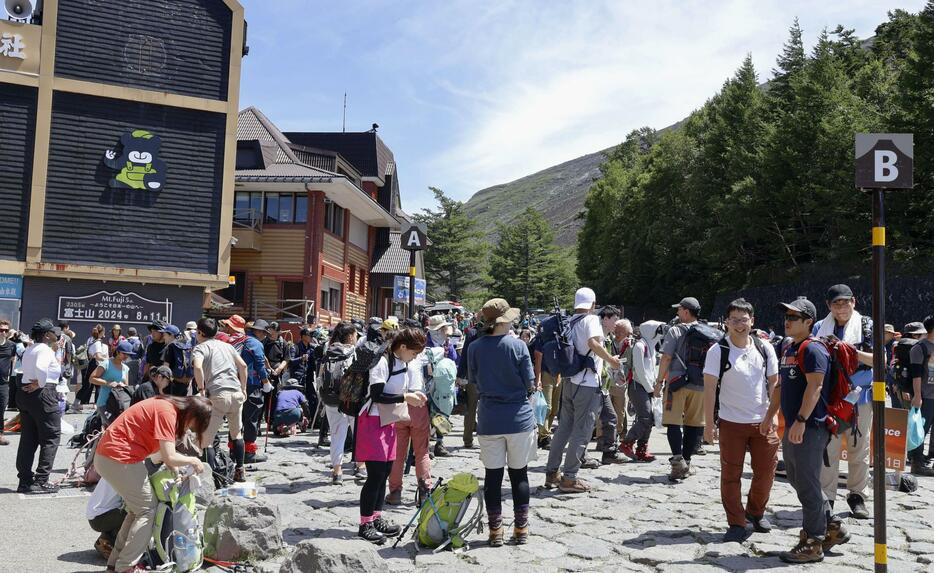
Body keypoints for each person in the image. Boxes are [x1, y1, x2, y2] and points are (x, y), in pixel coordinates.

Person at [762, 297, 849, 563]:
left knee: (808, 483)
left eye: (793, 318)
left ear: (809, 322)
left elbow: (816, 387)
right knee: (798, 479)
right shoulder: (789, 347)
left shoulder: (813, 349)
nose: (787, 322)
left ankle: (813, 542)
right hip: (795, 425)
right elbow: (780, 387)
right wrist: (770, 415)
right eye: (786, 317)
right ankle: (832, 525)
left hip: (810, 426)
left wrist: (800, 420)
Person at [94, 396, 210, 573]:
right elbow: (170, 455)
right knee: (147, 509)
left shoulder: (166, 407)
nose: (190, 429)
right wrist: (193, 460)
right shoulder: (167, 413)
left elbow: (162, 453)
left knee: (137, 510)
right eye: (194, 425)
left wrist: (175, 469)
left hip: (111, 456)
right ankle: (126, 566)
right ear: (192, 415)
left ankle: (115, 563)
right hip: (119, 458)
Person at [702, 298, 780, 543]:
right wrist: (708, 424)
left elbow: (774, 383)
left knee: (766, 472)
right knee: (731, 474)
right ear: (726, 322)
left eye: (743, 320)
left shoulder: (764, 348)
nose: (739, 325)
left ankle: (755, 512)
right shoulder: (718, 351)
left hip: (763, 421)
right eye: (734, 320)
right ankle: (736, 522)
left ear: (752, 321)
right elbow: (709, 390)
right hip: (730, 422)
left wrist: (774, 415)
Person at [469, 298, 537, 546]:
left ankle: (494, 531)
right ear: (504, 320)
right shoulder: (519, 346)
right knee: (519, 475)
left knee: (492, 477)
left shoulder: (475, 347)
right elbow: (530, 382)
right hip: (518, 417)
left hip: (489, 418)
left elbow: (474, 380)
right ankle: (521, 529)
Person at [543, 288, 621, 493]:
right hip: (587, 383)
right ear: (593, 304)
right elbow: (593, 343)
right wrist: (611, 360)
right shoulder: (591, 320)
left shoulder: (569, 321)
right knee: (582, 431)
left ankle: (552, 473)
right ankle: (570, 477)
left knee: (563, 428)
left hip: (570, 380)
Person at [357, 327, 427, 544]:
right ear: (403, 347)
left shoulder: (400, 361)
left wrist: (411, 395)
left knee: (386, 470)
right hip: (372, 420)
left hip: (388, 421)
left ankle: (376, 517)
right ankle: (365, 523)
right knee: (375, 474)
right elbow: (377, 395)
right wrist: (406, 397)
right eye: (414, 353)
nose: (415, 357)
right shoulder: (382, 361)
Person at [813, 284, 874, 520]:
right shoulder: (820, 327)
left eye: (845, 302)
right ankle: (826, 496)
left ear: (854, 302)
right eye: (836, 303)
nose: (841, 307)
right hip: (830, 396)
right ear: (828, 306)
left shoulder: (867, 327)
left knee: (860, 448)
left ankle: (857, 496)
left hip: (861, 395)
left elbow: (879, 360)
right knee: (829, 448)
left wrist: (846, 350)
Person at [654, 297, 705, 481]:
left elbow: (666, 357)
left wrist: (659, 382)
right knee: (693, 424)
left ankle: (677, 464)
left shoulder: (675, 330)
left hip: (677, 382)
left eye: (679, 309)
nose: (677, 313)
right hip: (699, 383)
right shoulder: (707, 331)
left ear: (686, 312)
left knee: (673, 422)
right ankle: (688, 463)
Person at [192, 317, 248, 482]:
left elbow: (197, 366)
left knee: (207, 440)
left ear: (201, 332)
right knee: (236, 434)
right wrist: (244, 389)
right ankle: (240, 470)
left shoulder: (200, 348)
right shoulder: (228, 346)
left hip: (217, 395)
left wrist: (201, 389)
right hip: (236, 393)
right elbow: (243, 366)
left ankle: (213, 477)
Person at [16, 319, 64, 494]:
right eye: (52, 332)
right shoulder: (44, 349)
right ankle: (42, 480)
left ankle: (24, 481)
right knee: (51, 436)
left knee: (28, 438)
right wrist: (41, 384)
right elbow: (40, 367)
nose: (55, 334)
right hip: (43, 394)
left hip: (25, 393)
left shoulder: (31, 348)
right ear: (46, 335)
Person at [387, 332, 434, 504]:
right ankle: (424, 492)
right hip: (418, 403)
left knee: (397, 454)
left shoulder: (394, 359)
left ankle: (395, 492)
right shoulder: (421, 356)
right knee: (422, 452)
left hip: (400, 405)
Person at [320, 322, 363, 484]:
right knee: (358, 432)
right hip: (351, 399)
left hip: (331, 398)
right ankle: (360, 466)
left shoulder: (329, 350)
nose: (357, 337)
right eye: (355, 334)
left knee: (337, 435)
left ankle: (337, 471)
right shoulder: (354, 352)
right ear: (350, 336)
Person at [619, 320, 659, 462]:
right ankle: (627, 443)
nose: (660, 332)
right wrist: (651, 388)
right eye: (657, 329)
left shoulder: (651, 346)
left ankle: (642, 449)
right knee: (645, 418)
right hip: (637, 386)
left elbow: (652, 369)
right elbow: (640, 371)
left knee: (649, 419)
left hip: (647, 387)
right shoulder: (640, 346)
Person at [594, 306, 626, 465]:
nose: (617, 324)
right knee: (587, 421)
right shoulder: (598, 337)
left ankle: (609, 452)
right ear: (605, 318)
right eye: (614, 319)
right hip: (594, 386)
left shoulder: (606, 338)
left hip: (603, 386)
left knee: (610, 418)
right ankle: (581, 455)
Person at [241, 319, 271, 463]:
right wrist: (265, 381)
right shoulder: (256, 344)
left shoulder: (241, 340)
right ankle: (249, 452)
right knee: (251, 419)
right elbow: (259, 364)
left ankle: (235, 449)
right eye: (264, 332)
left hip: (238, 383)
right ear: (258, 331)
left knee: (238, 418)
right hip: (252, 384)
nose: (265, 335)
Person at [909, 315, 934, 477]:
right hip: (925, 396)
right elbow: (916, 374)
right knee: (920, 430)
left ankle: (925, 459)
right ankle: (916, 464)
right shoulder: (920, 348)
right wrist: (917, 395)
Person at [90, 340, 133, 427]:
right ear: (117, 352)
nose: (126, 356)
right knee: (112, 427)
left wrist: (123, 386)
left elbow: (126, 387)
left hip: (118, 404)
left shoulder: (125, 368)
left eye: (128, 354)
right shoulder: (106, 363)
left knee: (114, 429)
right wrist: (108, 383)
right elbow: (92, 379)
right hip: (104, 403)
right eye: (124, 353)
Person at [87, 478, 126, 562]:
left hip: (97, 513)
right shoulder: (128, 469)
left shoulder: (119, 465)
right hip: (100, 517)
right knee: (138, 513)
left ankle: (106, 539)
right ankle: (108, 541)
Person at [76, 324, 108, 409]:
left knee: (87, 385)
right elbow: (98, 356)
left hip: (88, 364)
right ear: (101, 333)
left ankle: (78, 403)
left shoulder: (90, 340)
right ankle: (77, 404)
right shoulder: (97, 343)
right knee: (93, 384)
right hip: (93, 364)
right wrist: (108, 360)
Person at [0, 320, 15, 446]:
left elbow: (12, 360)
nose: (3, 332)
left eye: (6, 330)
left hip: (3, 383)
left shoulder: (11, 345)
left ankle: (0, 434)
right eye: (1, 330)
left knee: (1, 409)